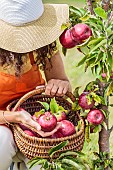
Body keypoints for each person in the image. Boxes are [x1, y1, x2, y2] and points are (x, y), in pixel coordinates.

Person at [0, 0, 71, 170]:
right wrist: (15, 117)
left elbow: (63, 81)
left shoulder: (43, 45)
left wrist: (60, 85)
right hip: (2, 122)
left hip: (35, 118)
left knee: (46, 162)